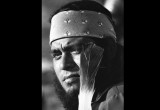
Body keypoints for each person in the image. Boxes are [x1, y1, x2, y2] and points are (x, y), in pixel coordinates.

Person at [48, 1, 123, 110]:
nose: (64, 65)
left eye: (77, 50)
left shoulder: (116, 101)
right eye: (57, 54)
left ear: (110, 49)